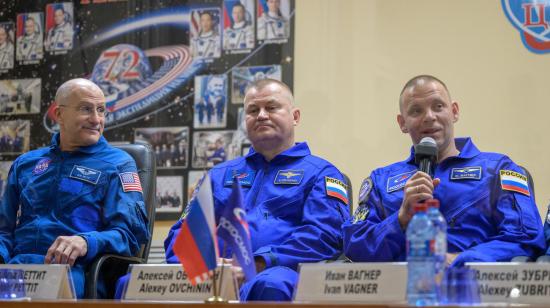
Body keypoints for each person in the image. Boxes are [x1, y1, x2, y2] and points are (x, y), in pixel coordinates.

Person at [161, 79, 350, 301]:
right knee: (131, 282)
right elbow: (183, 233)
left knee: (270, 285)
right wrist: (204, 260)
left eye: (271, 107)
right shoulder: (219, 175)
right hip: (213, 274)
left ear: (295, 117)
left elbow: (323, 236)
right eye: (252, 110)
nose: (261, 115)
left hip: (278, 273)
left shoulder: (321, 173)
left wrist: (259, 261)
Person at [342, 75, 546, 266]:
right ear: (402, 123)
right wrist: (400, 219)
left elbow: (525, 237)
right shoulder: (381, 180)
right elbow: (353, 246)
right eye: (416, 111)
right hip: (403, 293)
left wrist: (460, 260)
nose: (429, 117)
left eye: (438, 106)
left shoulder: (498, 169)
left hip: (474, 290)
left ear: (454, 111)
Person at [0, 78, 150, 298]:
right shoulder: (26, 164)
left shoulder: (119, 164)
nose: (96, 119)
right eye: (86, 109)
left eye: (101, 110)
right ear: (59, 114)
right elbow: (4, 230)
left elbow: (130, 235)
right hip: (17, 271)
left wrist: (85, 241)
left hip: (76, 274)